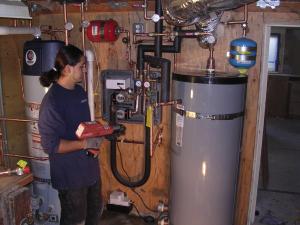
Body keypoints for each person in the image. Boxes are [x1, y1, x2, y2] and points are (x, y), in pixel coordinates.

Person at [38, 44, 103, 225]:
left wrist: (99, 130)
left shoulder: (78, 91)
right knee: (75, 220)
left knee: (94, 216)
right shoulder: (52, 102)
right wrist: (84, 144)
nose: (84, 69)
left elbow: (83, 125)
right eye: (81, 66)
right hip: (70, 176)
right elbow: (50, 145)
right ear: (67, 69)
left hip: (90, 170)